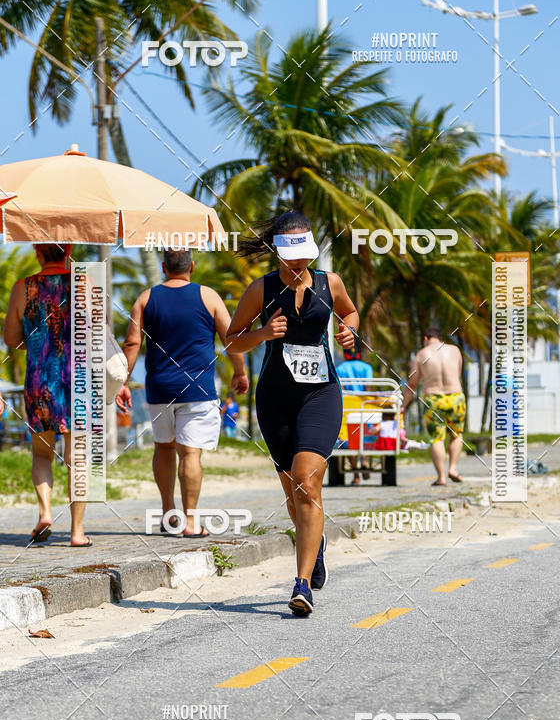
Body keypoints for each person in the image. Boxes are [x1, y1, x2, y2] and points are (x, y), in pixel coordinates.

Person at [226, 211, 359, 617]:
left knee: (307, 480)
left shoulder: (328, 283)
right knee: (293, 490)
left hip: (321, 395)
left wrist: (349, 330)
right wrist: (263, 334)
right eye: (291, 254)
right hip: (275, 398)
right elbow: (232, 340)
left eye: (304, 254)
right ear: (278, 251)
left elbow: (350, 312)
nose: (298, 262)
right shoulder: (261, 289)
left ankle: (301, 584)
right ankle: (312, 544)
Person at [116, 248, 248, 537]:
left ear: (163, 267)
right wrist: (239, 372)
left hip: (160, 387)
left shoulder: (146, 298)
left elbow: (131, 344)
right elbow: (231, 338)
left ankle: (168, 514)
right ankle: (190, 522)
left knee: (163, 447)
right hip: (197, 389)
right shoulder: (208, 296)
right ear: (192, 267)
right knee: (190, 454)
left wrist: (123, 382)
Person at [3, 244, 90, 546]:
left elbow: (12, 340)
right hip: (76, 381)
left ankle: (45, 512)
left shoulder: (23, 287)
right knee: (76, 458)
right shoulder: (84, 285)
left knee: (42, 454)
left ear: (38, 254)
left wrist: (39, 343)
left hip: (39, 381)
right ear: (69, 252)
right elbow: (98, 334)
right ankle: (77, 532)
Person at [402, 328, 465, 486]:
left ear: (425, 338)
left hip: (434, 399)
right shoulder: (455, 350)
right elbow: (457, 374)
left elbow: (412, 384)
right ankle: (453, 469)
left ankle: (441, 477)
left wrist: (403, 405)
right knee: (456, 434)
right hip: (455, 397)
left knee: (437, 438)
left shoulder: (421, 355)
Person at [336, 346, 374, 484]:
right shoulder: (366, 367)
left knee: (348, 440)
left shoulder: (340, 369)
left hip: (348, 407)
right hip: (363, 406)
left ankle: (356, 475)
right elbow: (367, 389)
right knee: (365, 435)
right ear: (358, 354)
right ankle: (363, 461)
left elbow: (341, 390)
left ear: (345, 355)